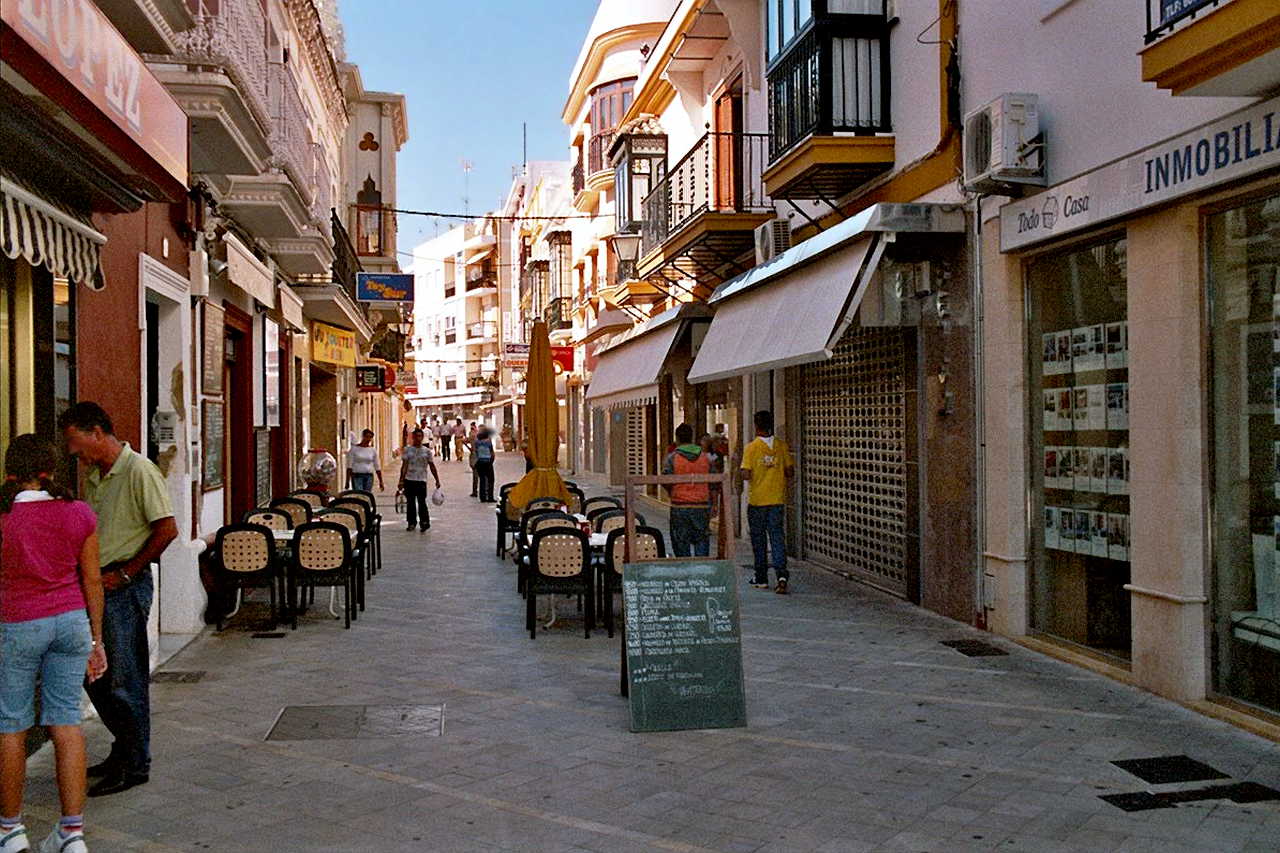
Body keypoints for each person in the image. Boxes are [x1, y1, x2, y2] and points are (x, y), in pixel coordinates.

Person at [57, 402, 176, 797]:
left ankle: (135, 762)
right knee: (95, 676)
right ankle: (122, 747)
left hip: (123, 584)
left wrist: (127, 572)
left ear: (96, 432)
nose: (73, 452)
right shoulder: (94, 475)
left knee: (125, 678)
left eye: (76, 442)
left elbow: (167, 529)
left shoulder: (139, 470)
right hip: (95, 584)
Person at [0, 435, 107, 853]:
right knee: (66, 722)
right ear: (51, 470)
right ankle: (72, 833)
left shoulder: (5, 516)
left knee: (11, 724)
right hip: (71, 623)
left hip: (19, 623)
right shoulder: (78, 513)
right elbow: (92, 580)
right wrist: (96, 639)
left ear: (10, 471)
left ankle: (10, 830)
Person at [740, 410, 794, 594]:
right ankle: (781, 575)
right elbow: (790, 471)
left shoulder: (751, 448)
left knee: (759, 539)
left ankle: (761, 577)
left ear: (756, 426)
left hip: (757, 501)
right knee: (777, 537)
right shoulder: (781, 446)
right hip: (777, 499)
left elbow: (746, 474)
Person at [662, 424, 712, 558]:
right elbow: (713, 481)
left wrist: (672, 492)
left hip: (680, 505)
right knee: (701, 541)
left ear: (677, 438)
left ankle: (685, 573)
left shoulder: (673, 458)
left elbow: (665, 479)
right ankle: (701, 574)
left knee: (681, 544)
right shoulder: (704, 457)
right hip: (701, 505)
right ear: (692, 437)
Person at [397, 429, 440, 532]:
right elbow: (404, 466)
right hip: (409, 479)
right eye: (416, 436)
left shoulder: (427, 451)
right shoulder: (408, 450)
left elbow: (432, 466)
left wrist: (437, 479)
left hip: (421, 480)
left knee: (422, 502)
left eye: (420, 436)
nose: (418, 438)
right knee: (410, 502)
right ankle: (411, 523)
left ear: (422, 437)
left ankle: (424, 522)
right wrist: (401, 480)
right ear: (413, 437)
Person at [346, 430, 384, 494]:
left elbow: (377, 466)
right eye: (367, 437)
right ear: (363, 437)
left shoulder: (372, 450)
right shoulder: (354, 449)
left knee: (367, 495)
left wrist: (381, 481)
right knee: (359, 495)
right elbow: (349, 466)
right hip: (357, 476)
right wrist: (347, 481)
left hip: (369, 476)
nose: (368, 439)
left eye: (370, 437)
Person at [473, 428, 496, 503]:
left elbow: (476, 451)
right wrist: (491, 461)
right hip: (487, 462)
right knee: (490, 480)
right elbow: (492, 452)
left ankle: (482, 497)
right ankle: (490, 497)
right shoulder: (488, 442)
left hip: (480, 462)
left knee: (482, 480)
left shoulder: (477, 442)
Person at [466, 422, 480, 497]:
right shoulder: (477, 434)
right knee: (478, 474)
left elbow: (465, 441)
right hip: (477, 455)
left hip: (475, 455)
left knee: (476, 474)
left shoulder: (473, 434)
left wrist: (470, 448)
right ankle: (478, 491)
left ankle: (475, 491)